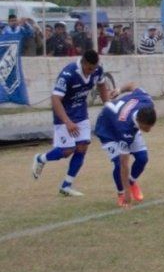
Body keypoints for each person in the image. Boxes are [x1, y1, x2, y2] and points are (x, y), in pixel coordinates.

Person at [31, 50, 113, 197]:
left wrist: (107, 104)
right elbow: (55, 100)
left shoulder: (97, 70)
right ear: (83, 62)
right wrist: (67, 122)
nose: (91, 72)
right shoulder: (68, 74)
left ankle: (66, 186)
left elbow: (101, 84)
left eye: (94, 68)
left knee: (82, 148)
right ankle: (40, 159)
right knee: (67, 150)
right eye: (89, 69)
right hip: (63, 115)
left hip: (81, 114)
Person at [93, 84, 156, 208]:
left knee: (142, 158)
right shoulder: (124, 129)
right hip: (107, 129)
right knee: (118, 163)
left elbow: (133, 86)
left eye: (150, 126)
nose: (148, 130)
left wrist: (119, 90)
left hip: (124, 121)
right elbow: (124, 164)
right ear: (139, 121)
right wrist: (126, 192)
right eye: (145, 128)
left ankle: (132, 182)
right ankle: (121, 193)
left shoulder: (147, 100)